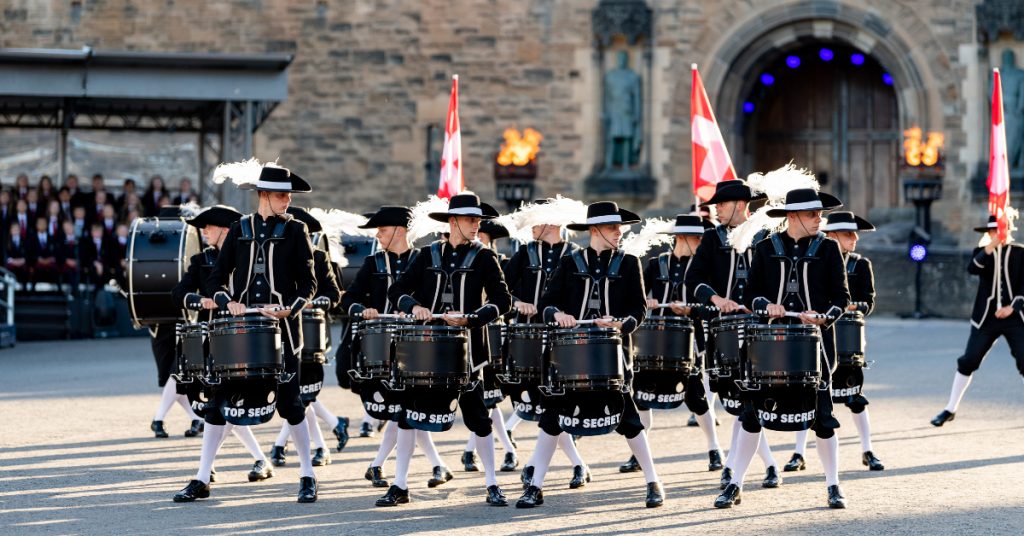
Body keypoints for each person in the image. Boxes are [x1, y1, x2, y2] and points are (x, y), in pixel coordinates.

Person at [174, 162, 319, 503]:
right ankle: (201, 478)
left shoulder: (297, 230)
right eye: (282, 195)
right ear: (264, 195)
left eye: (288, 195)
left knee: (291, 404)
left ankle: (307, 475)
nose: (287, 200)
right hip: (239, 331)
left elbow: (309, 283)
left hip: (282, 331)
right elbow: (216, 277)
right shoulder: (239, 228)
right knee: (216, 403)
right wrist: (227, 301)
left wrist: (289, 308)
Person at [516, 201, 665, 509]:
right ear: (596, 229)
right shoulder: (570, 262)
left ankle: (653, 482)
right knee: (552, 418)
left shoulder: (628, 263)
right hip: (570, 357)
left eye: (620, 227)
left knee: (629, 419)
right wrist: (558, 315)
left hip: (612, 355)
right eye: (613, 227)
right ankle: (535, 487)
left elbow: (638, 309)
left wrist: (623, 323)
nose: (619, 232)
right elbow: (547, 303)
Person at [716, 187, 849, 509]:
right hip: (767, 345)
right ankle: (735, 484)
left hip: (815, 345)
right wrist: (766, 306)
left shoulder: (830, 249)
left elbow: (841, 298)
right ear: (792, 217)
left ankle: (833, 485)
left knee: (823, 418)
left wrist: (823, 317)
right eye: (812, 214)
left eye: (820, 214)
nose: (820, 219)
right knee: (751, 416)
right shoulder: (763, 248)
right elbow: (750, 294)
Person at [380, 193, 513, 507]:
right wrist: (415, 307)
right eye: (471, 219)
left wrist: (472, 318)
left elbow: (502, 301)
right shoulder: (426, 255)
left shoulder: (484, 256)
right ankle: (400, 485)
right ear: (453, 222)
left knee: (480, 419)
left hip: (468, 352)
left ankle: (492, 484)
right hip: (425, 349)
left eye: (478, 220)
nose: (476, 225)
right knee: (408, 416)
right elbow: (396, 290)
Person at [342, 206, 452, 490]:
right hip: (380, 345)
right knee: (403, 409)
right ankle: (431, 465)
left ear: (399, 231)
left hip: (416, 346)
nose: (378, 235)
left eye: (383, 230)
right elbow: (350, 297)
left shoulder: (424, 261)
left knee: (406, 409)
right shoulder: (373, 262)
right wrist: (363, 309)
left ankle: (381, 465)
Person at [685, 179, 781, 490]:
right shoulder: (712, 238)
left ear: (740, 205)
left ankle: (737, 467)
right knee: (742, 402)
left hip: (759, 329)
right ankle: (763, 465)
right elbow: (694, 279)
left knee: (748, 401)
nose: (716, 209)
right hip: (723, 329)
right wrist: (716, 299)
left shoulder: (765, 236)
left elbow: (776, 279)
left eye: (722, 205)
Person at [171, 204, 274, 483]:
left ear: (226, 231)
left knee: (229, 405)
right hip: (213, 341)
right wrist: (198, 300)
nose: (203, 232)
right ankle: (258, 460)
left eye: (209, 227)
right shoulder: (201, 260)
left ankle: (212, 469)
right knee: (223, 405)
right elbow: (179, 292)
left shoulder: (251, 257)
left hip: (245, 339)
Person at [501, 198, 590, 490]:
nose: (533, 225)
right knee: (545, 406)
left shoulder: (577, 254)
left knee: (555, 405)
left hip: (565, 340)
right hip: (528, 338)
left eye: (536, 219)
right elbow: (500, 292)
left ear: (551, 223)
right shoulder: (525, 254)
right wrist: (518, 303)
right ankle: (573, 464)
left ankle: (554, 465)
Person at [785, 211, 883, 472]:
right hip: (817, 337)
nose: (854, 239)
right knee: (808, 395)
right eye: (848, 234)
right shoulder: (816, 260)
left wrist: (851, 306)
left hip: (848, 340)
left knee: (854, 398)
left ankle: (867, 449)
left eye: (854, 234)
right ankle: (798, 453)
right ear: (832, 236)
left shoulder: (860, 264)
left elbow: (869, 302)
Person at [633, 214, 723, 472]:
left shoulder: (704, 270)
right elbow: (636, 297)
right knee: (642, 396)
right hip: (653, 341)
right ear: (681, 237)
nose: (701, 242)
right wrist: (646, 302)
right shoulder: (655, 264)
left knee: (696, 398)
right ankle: (641, 449)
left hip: (690, 341)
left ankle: (713, 447)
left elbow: (712, 307)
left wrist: (691, 311)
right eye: (697, 238)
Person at [268, 207, 349, 468]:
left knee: (302, 397)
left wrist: (313, 302)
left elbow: (334, 294)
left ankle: (290, 445)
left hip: (312, 335)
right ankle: (332, 430)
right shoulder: (274, 256)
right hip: (281, 334)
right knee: (296, 397)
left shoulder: (320, 256)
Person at [931, 215, 1024, 427]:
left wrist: (1013, 306)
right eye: (992, 231)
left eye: (999, 230)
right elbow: (973, 268)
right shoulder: (982, 253)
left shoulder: (1020, 252)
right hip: (985, 318)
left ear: (1009, 230)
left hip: (1015, 318)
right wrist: (991, 245)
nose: (996, 234)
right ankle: (950, 408)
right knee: (969, 360)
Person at [460, 218, 519, 473]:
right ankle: (500, 448)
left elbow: (507, 296)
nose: (477, 237)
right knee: (484, 402)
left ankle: (496, 449)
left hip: (490, 334)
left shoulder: (500, 261)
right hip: (469, 335)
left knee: (488, 401)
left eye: (482, 233)